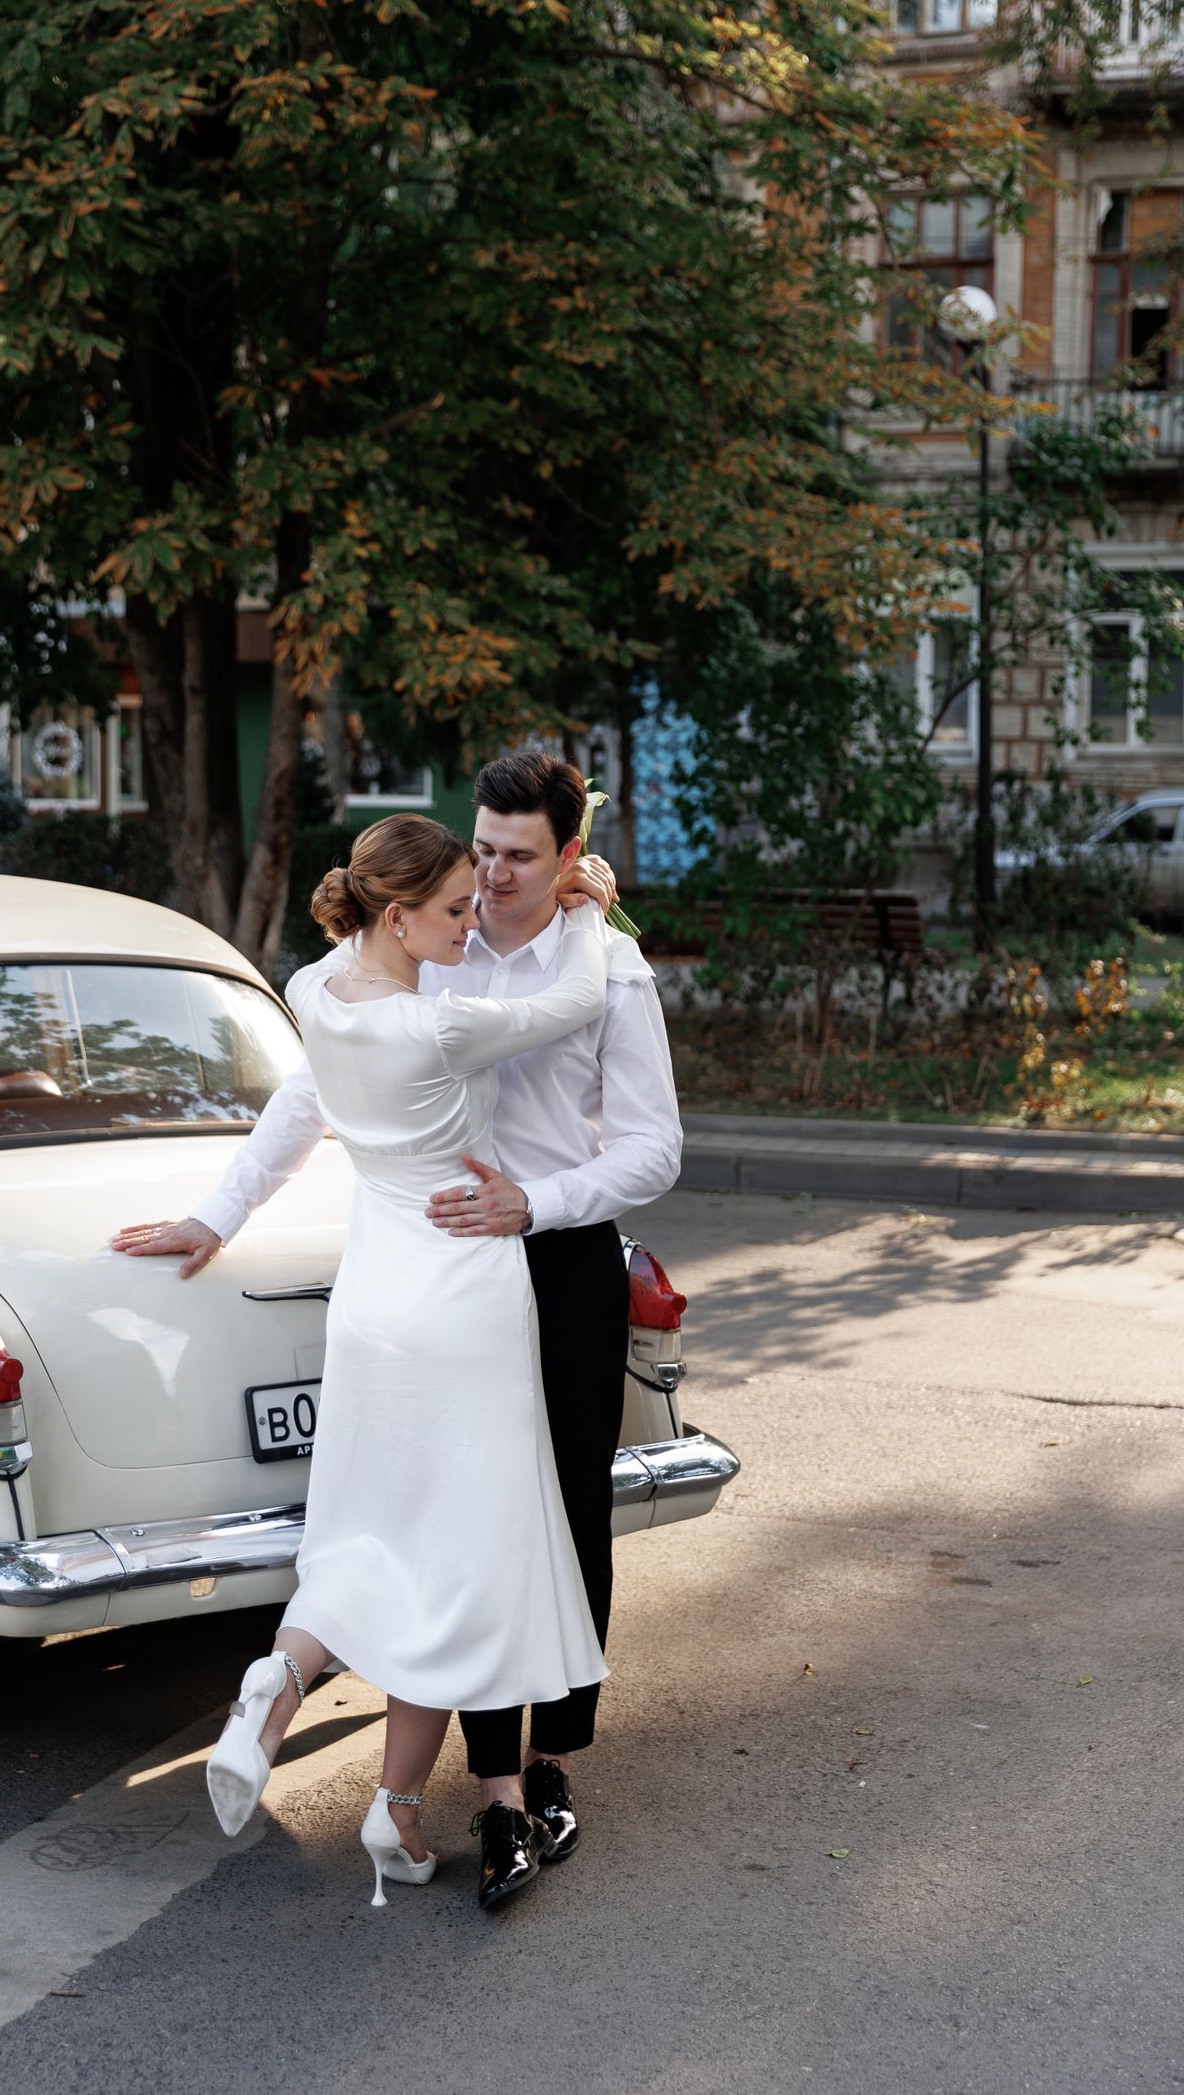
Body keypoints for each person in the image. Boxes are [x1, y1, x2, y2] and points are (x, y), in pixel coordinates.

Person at [112, 752, 683, 1908]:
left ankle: (551, 1760)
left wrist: (539, 1203)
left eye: (520, 857)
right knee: (465, 1521)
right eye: (484, 850)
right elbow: (311, 1093)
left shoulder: (610, 969)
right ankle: (491, 1788)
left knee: (565, 1515)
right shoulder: (428, 942)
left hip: (555, 1250)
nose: (495, 876)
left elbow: (653, 1149)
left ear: (571, 857)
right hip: (448, 1265)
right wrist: (219, 1212)